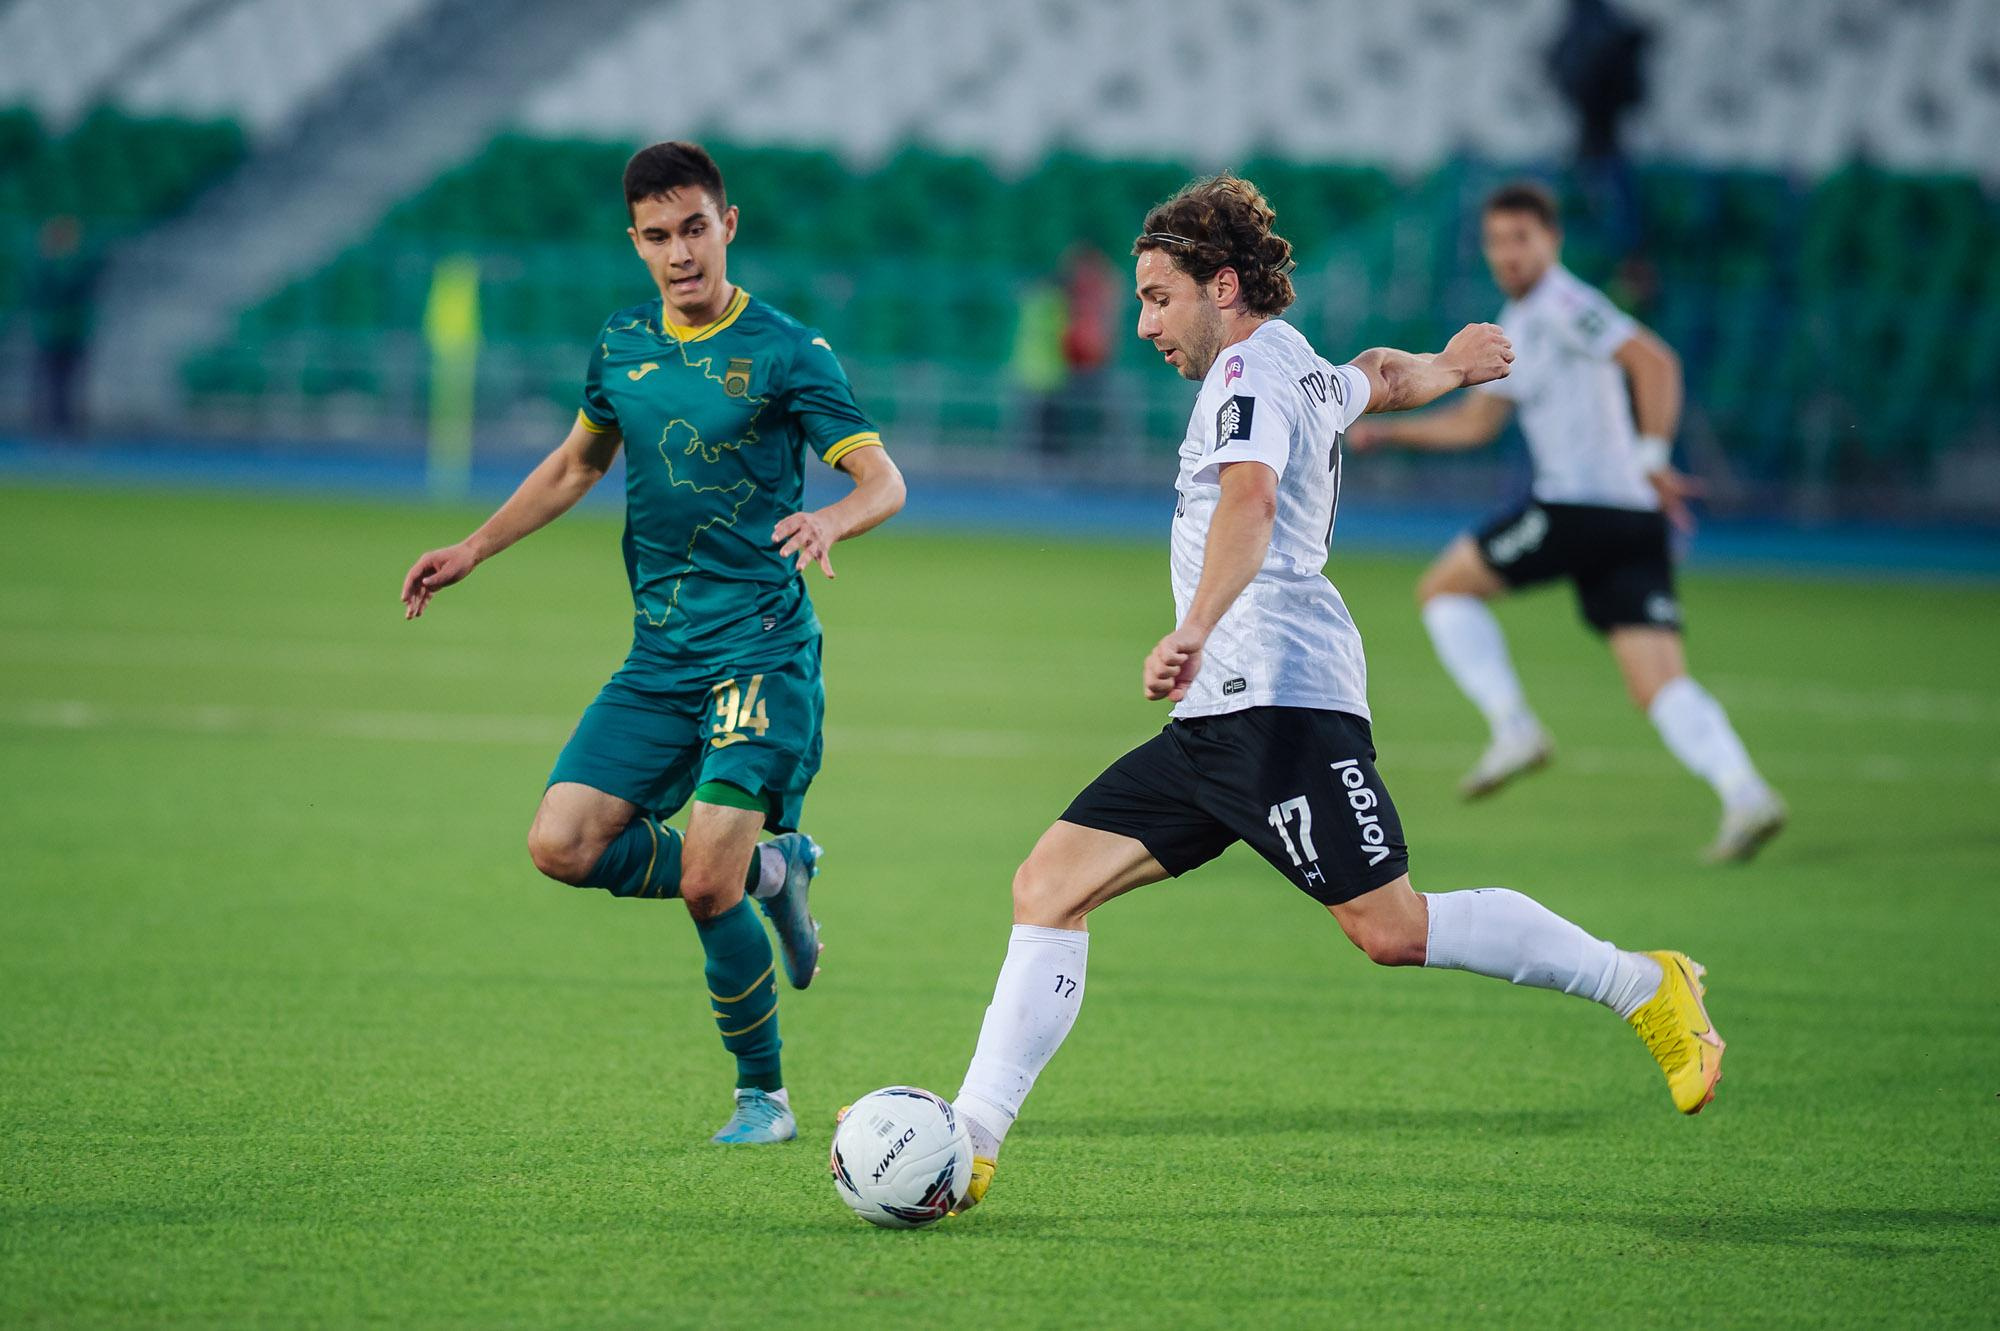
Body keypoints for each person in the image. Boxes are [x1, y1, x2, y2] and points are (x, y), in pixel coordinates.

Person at [941, 176, 1724, 1216]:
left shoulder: (1244, 380)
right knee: (1047, 885)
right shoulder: (1286, 365)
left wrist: (1191, 624)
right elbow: (1369, 378)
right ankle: (971, 1140)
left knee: (1390, 927)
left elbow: (1251, 501)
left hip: (1277, 698)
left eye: (1157, 296)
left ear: (1221, 285)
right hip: (1220, 709)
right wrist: (1446, 364)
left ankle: (1645, 985)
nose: (1142, 323)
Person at [400, 141, 906, 1144]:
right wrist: (473, 547)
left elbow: (881, 478)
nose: (679, 252)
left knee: (703, 879)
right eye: (657, 236)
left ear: (728, 224)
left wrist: (832, 521)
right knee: (560, 843)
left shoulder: (786, 350)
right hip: (659, 655)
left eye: (694, 228)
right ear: (634, 242)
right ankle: (776, 870)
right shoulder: (622, 343)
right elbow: (574, 465)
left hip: (757, 651)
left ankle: (762, 1097)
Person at [1347, 181, 1785, 863]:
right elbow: (1478, 421)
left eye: (1521, 238)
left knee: (1445, 589)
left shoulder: (1562, 303)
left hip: (1580, 506)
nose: (1507, 253)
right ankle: (1745, 791)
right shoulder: (1519, 321)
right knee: (1659, 681)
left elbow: (1653, 360)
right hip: (1632, 520)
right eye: (1496, 240)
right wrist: (1392, 435)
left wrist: (1652, 455)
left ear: (1551, 241)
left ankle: (1514, 726)